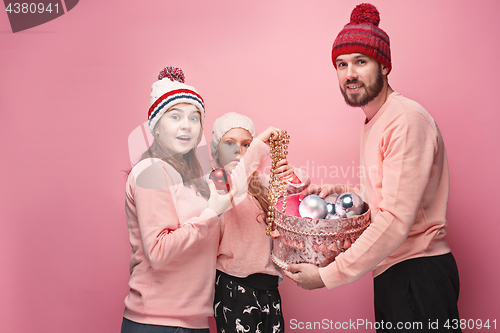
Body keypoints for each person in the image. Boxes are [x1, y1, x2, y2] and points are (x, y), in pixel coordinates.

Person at [284, 4, 461, 332]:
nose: (349, 73)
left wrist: (326, 276)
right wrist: (346, 193)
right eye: (341, 64)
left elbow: (395, 221)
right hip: (394, 272)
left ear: (384, 65)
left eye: (360, 62)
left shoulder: (405, 119)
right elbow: (390, 202)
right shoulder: (374, 121)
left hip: (417, 273)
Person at [121, 67, 236, 333]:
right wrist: (211, 214)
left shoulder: (198, 182)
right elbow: (158, 253)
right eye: (175, 116)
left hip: (195, 323)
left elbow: (213, 246)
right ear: (156, 128)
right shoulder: (151, 170)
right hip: (156, 323)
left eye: (194, 118)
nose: (186, 125)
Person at [211, 112, 309, 333]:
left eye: (246, 144)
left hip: (269, 287)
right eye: (230, 143)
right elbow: (237, 182)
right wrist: (258, 143)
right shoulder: (218, 182)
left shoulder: (259, 183)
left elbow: (296, 189)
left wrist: (291, 174)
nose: (239, 150)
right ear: (216, 148)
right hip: (234, 285)